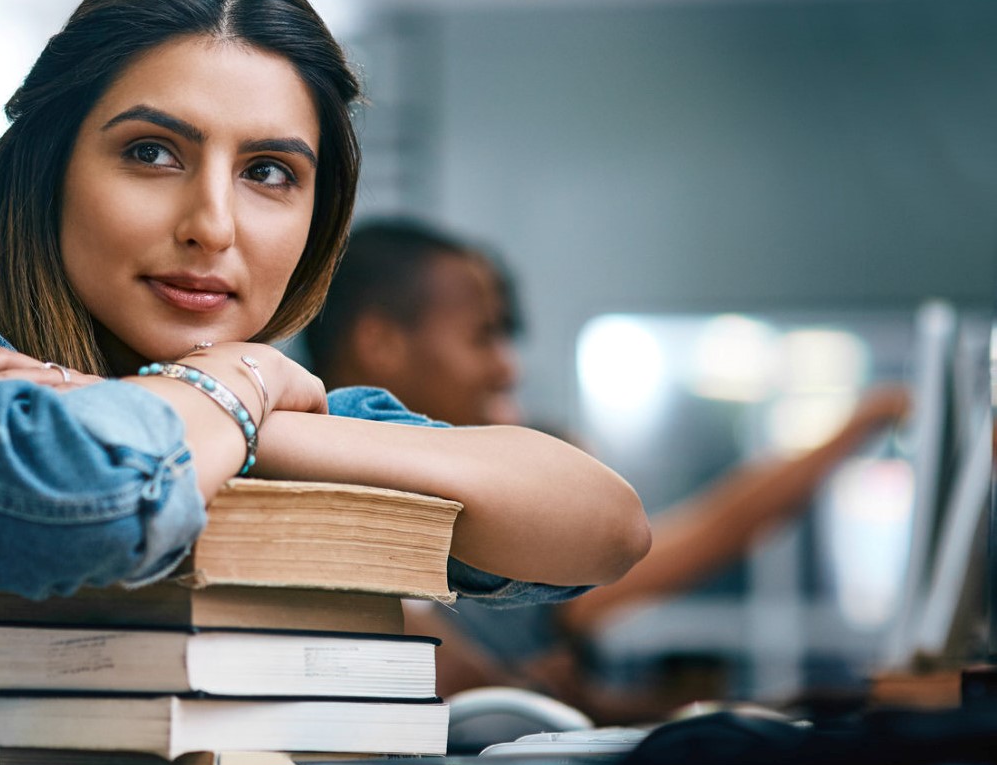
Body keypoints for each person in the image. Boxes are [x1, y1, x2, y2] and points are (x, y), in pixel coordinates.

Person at [0, 0, 650, 765]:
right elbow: (92, 501)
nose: (211, 225)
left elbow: (598, 528)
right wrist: (229, 385)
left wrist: (242, 409)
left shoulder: (238, 412)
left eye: (269, 173)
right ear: (49, 161)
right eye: (151, 153)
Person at [304, 217, 910, 716]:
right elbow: (706, 533)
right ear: (381, 341)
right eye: (483, 337)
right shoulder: (316, 512)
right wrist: (867, 419)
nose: (508, 368)